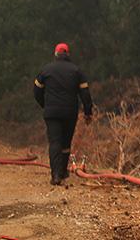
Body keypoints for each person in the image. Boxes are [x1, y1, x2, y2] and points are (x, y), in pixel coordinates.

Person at [33, 43, 93, 186]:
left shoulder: (46, 70)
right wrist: (88, 112)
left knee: (54, 142)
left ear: (55, 55)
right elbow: (85, 93)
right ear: (68, 56)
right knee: (65, 142)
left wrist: (42, 103)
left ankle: (55, 174)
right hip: (69, 112)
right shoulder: (76, 71)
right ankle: (63, 171)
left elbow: (36, 89)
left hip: (51, 112)